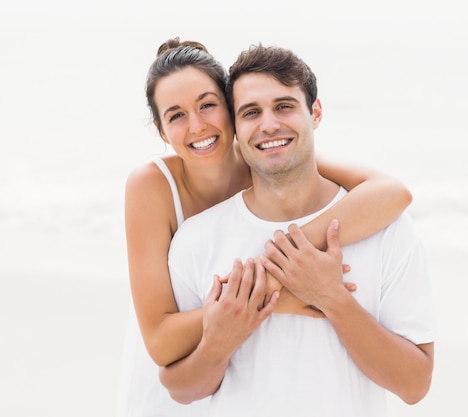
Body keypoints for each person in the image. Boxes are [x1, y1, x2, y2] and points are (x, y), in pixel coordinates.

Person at [117, 38, 414, 416]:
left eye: (208, 105)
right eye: (176, 115)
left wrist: (285, 265)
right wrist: (266, 297)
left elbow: (392, 193)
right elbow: (159, 340)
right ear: (161, 131)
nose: (197, 126)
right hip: (176, 376)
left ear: (231, 109)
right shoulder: (150, 186)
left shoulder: (266, 155)